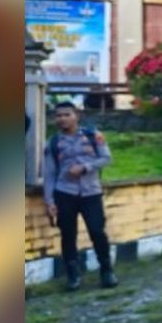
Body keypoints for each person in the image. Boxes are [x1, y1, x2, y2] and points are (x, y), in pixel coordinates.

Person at [42, 102, 117, 290]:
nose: (62, 119)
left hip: (91, 192)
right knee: (68, 235)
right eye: (58, 115)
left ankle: (107, 271)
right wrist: (49, 201)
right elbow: (49, 174)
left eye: (67, 114)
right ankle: (73, 276)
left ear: (77, 115)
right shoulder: (53, 143)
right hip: (64, 193)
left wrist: (85, 167)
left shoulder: (93, 136)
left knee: (97, 231)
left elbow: (106, 158)